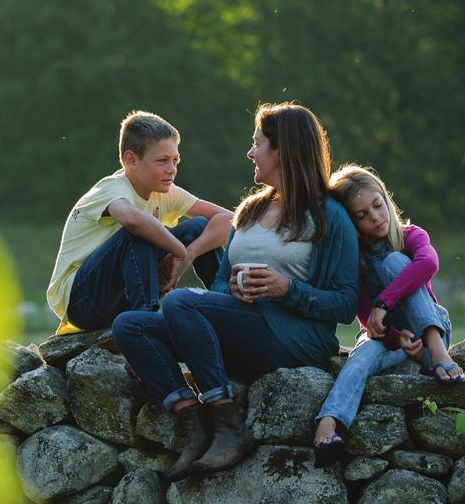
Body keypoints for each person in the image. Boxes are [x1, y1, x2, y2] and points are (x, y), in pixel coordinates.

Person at [112, 102, 358, 481]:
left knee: (179, 301)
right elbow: (218, 285)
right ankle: (195, 429)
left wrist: (286, 289)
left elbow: (345, 304)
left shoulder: (329, 216)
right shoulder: (251, 210)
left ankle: (229, 427)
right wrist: (229, 292)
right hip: (243, 328)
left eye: (257, 143)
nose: (250, 152)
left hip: (292, 340)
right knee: (130, 327)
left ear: (282, 151)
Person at [312, 165, 462, 468]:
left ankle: (438, 350)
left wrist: (385, 302)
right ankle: (328, 423)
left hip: (431, 327)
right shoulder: (355, 261)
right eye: (361, 215)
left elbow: (428, 263)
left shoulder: (410, 235)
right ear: (350, 221)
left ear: (386, 198)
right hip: (390, 339)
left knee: (395, 261)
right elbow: (368, 318)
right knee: (362, 354)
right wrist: (396, 336)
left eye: (377, 205)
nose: (375, 218)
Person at [46, 110, 232, 335]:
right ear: (130, 160)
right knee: (138, 232)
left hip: (121, 293)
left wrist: (190, 253)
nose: (171, 169)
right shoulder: (111, 187)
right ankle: (146, 325)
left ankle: (226, 309)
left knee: (200, 226)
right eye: (162, 161)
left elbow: (231, 221)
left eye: (175, 160)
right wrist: (179, 252)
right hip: (82, 301)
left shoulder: (165, 191)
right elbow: (131, 219)